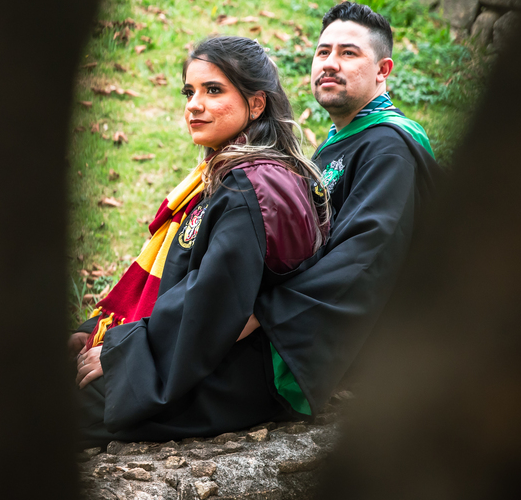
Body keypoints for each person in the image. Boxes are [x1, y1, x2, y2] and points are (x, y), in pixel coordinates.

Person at [69, 36, 328, 445]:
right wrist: (96, 331)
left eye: (213, 90)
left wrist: (121, 353)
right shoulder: (234, 174)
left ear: (256, 104)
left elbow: (214, 307)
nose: (194, 104)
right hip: (194, 352)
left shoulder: (251, 186)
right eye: (189, 92)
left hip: (230, 372)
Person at [252, 1, 442, 416]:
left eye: (348, 53)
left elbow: (363, 258)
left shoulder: (390, 147)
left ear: (383, 70)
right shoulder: (340, 143)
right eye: (323, 51)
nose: (330, 63)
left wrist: (265, 312)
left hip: (342, 348)